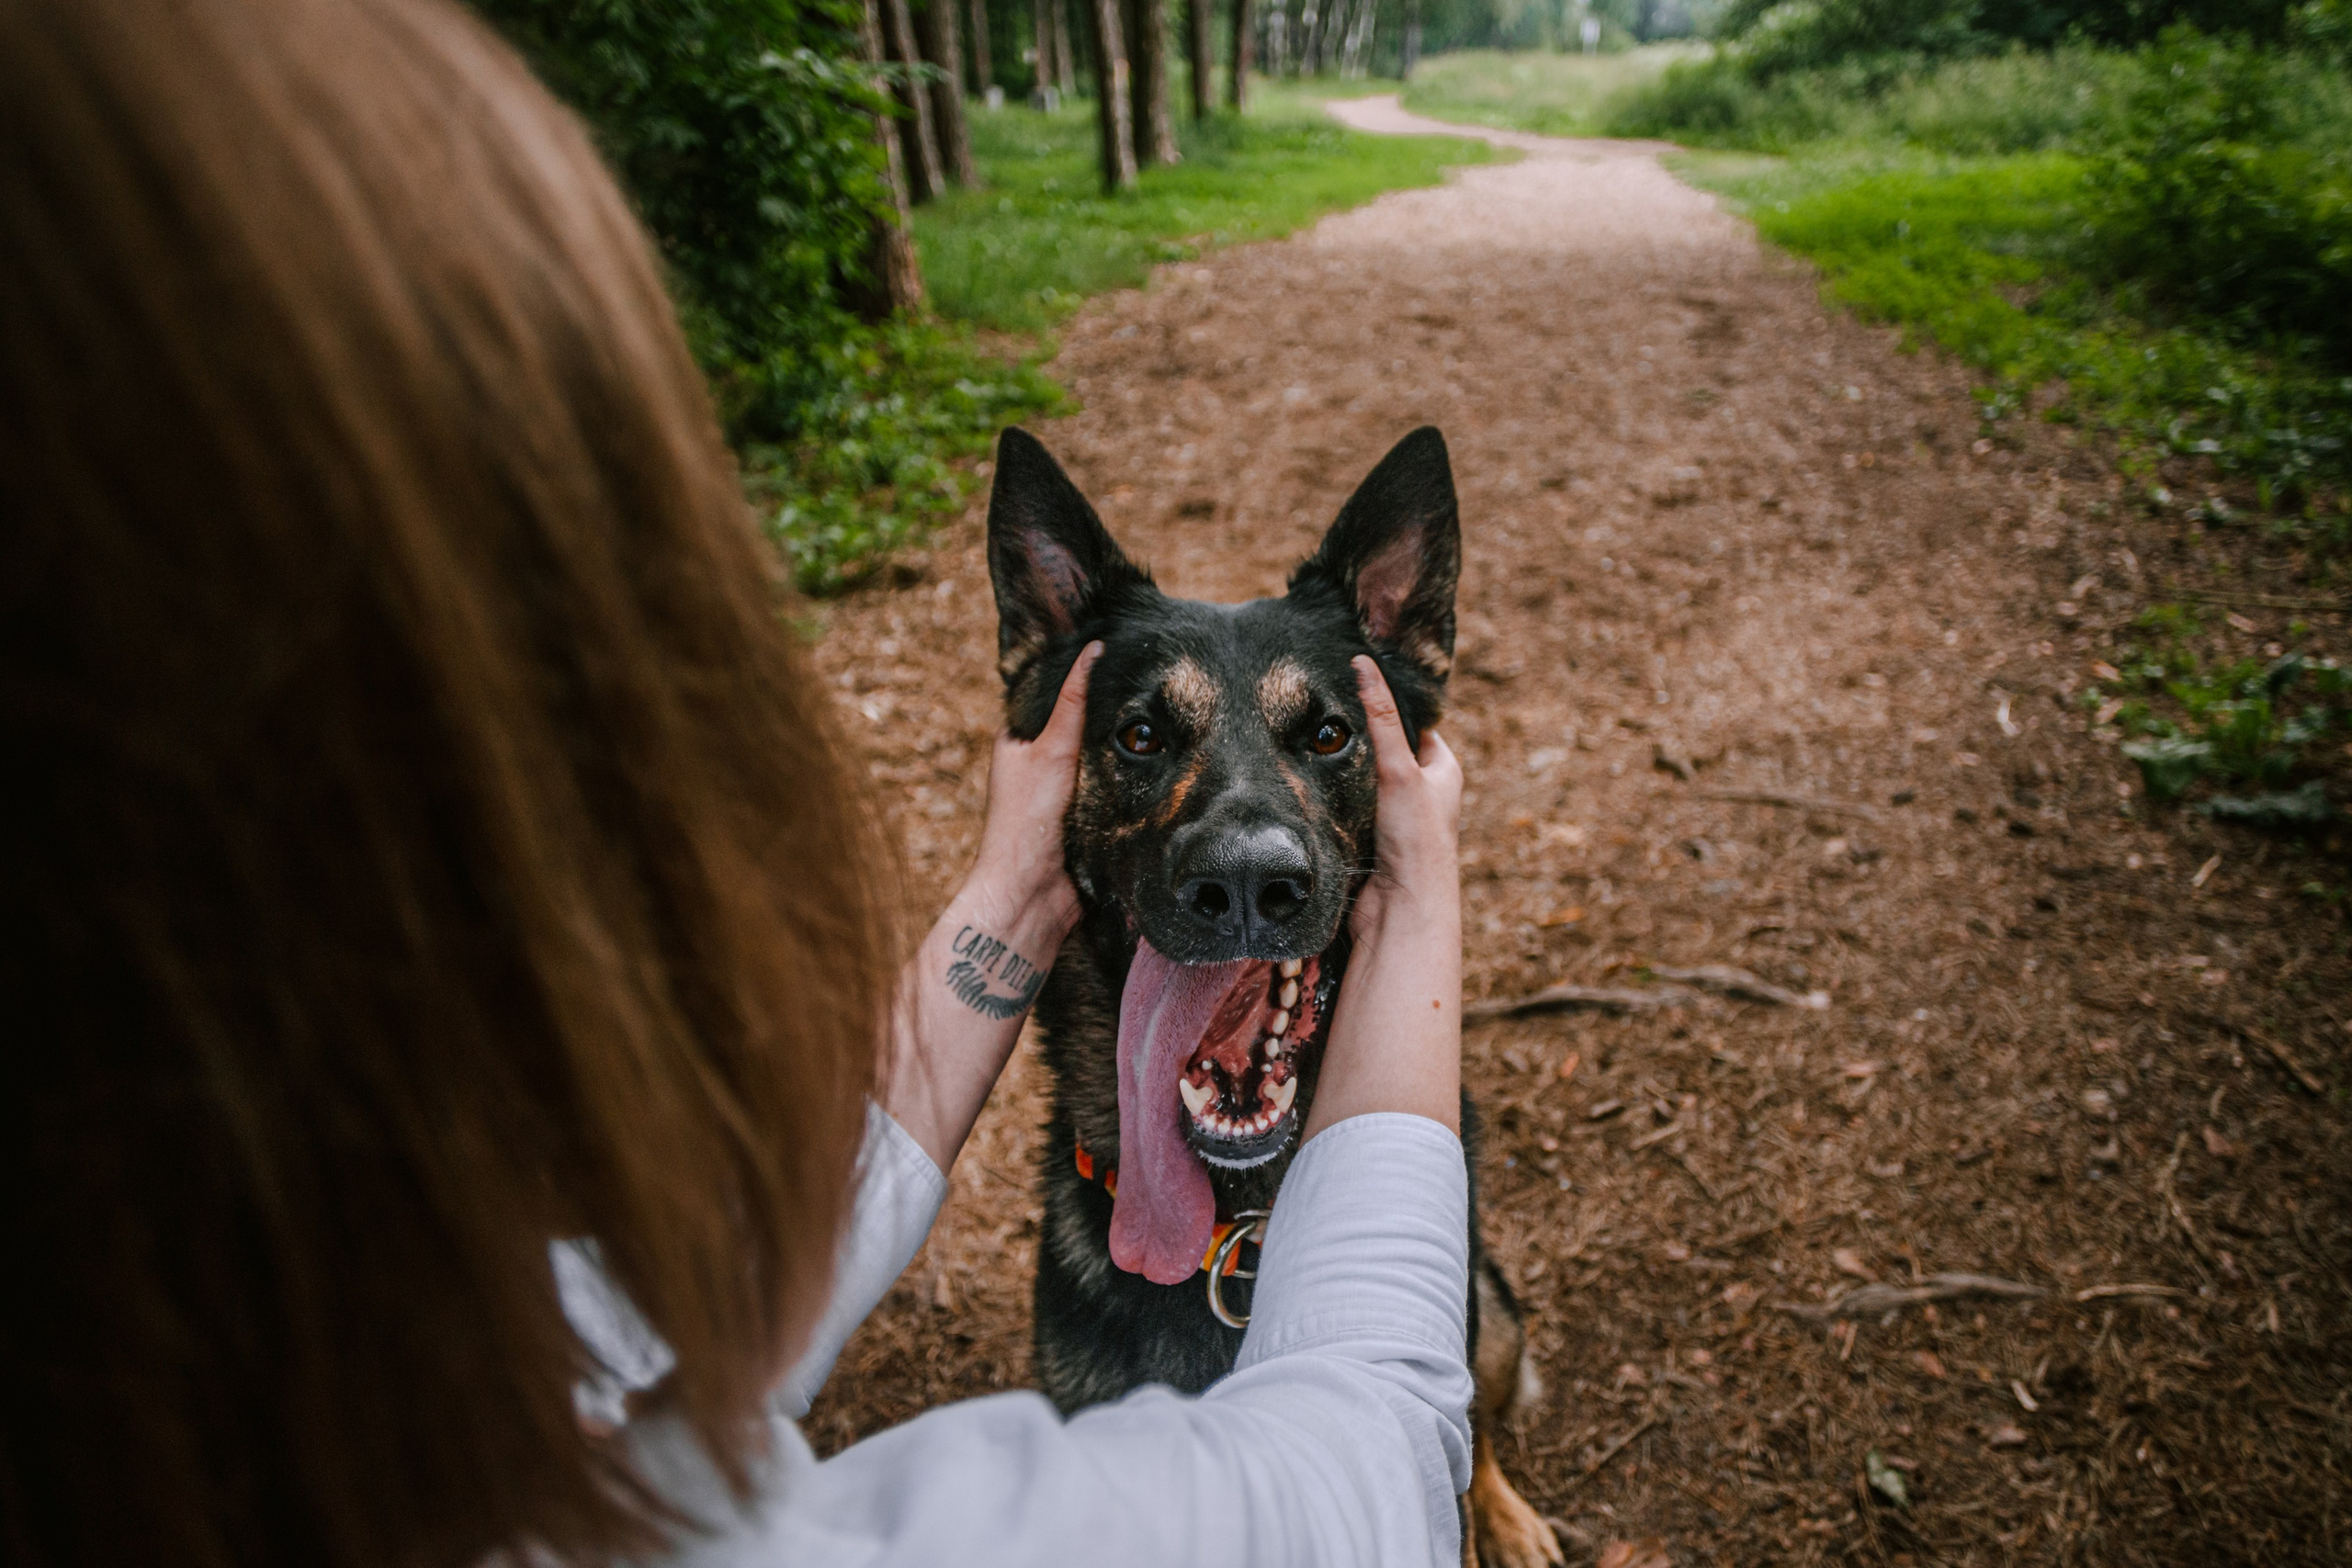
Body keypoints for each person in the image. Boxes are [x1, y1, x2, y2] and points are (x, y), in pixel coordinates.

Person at [0, 1, 1473, 1565]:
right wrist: (1419, 902)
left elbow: (653, 1313)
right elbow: (1369, 1442)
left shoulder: (339, 1384)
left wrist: (1015, 893)